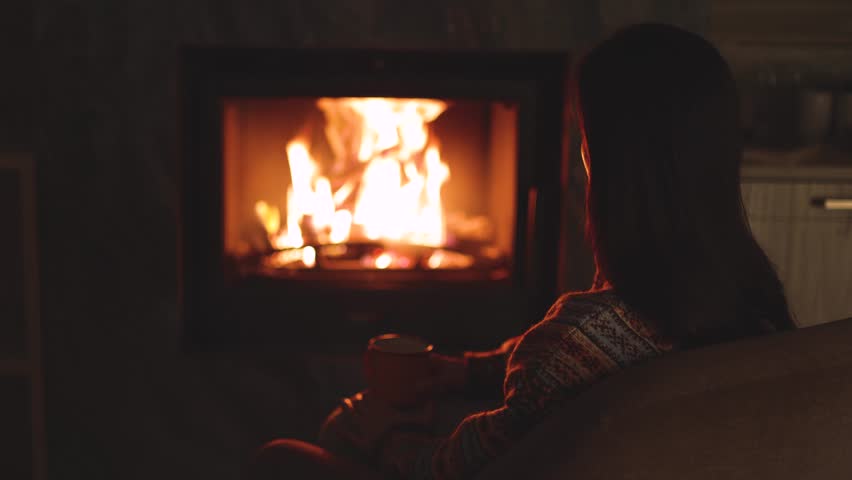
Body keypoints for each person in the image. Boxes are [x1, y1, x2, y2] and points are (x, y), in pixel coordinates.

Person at [248, 23, 796, 480]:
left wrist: (389, 433)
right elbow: (576, 370)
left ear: (603, 161)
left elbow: (448, 468)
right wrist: (468, 372)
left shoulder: (575, 338)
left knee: (287, 456)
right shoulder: (750, 301)